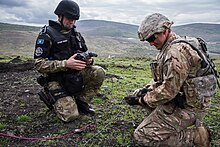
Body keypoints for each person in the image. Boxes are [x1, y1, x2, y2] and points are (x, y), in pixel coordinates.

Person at [124, 13, 218, 146]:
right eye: (147, 40)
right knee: (144, 96)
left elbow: (168, 91)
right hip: (182, 99)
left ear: (164, 30)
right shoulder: (169, 47)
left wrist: (141, 100)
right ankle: (166, 124)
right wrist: (146, 90)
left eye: (152, 38)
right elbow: (164, 80)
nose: (151, 43)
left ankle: (196, 137)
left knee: (142, 136)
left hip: (190, 108)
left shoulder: (175, 54)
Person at [34, 0, 105, 122]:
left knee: (99, 72)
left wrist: (89, 61)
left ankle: (81, 101)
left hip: (74, 75)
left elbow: (84, 53)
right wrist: (65, 64)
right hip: (56, 80)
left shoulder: (76, 34)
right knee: (70, 116)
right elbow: (39, 64)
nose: (72, 22)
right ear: (60, 16)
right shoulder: (47, 35)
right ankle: (52, 96)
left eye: (74, 19)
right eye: (69, 18)